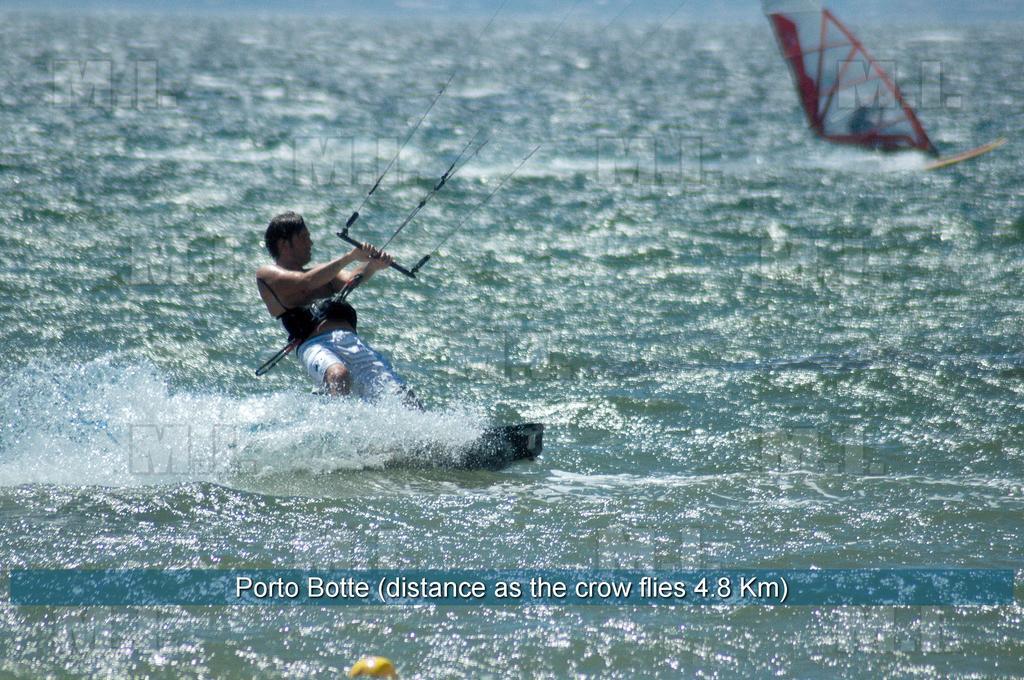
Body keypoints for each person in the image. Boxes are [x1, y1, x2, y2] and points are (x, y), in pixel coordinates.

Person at [256, 212, 420, 406]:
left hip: (350, 341)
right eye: (304, 238)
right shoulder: (267, 275)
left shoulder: (323, 274)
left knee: (403, 395)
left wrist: (372, 265)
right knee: (338, 374)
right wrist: (349, 257)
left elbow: (351, 280)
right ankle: (340, 427)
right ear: (284, 244)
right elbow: (305, 283)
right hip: (315, 345)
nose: (310, 243)